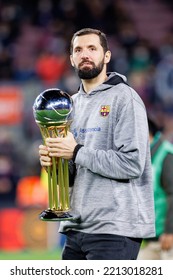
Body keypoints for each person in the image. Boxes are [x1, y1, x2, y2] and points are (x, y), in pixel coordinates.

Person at [39, 28, 155, 260]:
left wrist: (77, 151)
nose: (85, 54)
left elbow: (132, 164)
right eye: (78, 50)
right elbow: (74, 171)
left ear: (107, 56)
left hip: (115, 228)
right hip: (76, 227)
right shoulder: (69, 104)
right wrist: (54, 164)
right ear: (71, 58)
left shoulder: (125, 98)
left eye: (92, 48)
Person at [138, 117, 173, 260]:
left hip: (167, 236)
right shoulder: (144, 156)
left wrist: (170, 231)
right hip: (152, 238)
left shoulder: (167, 155)